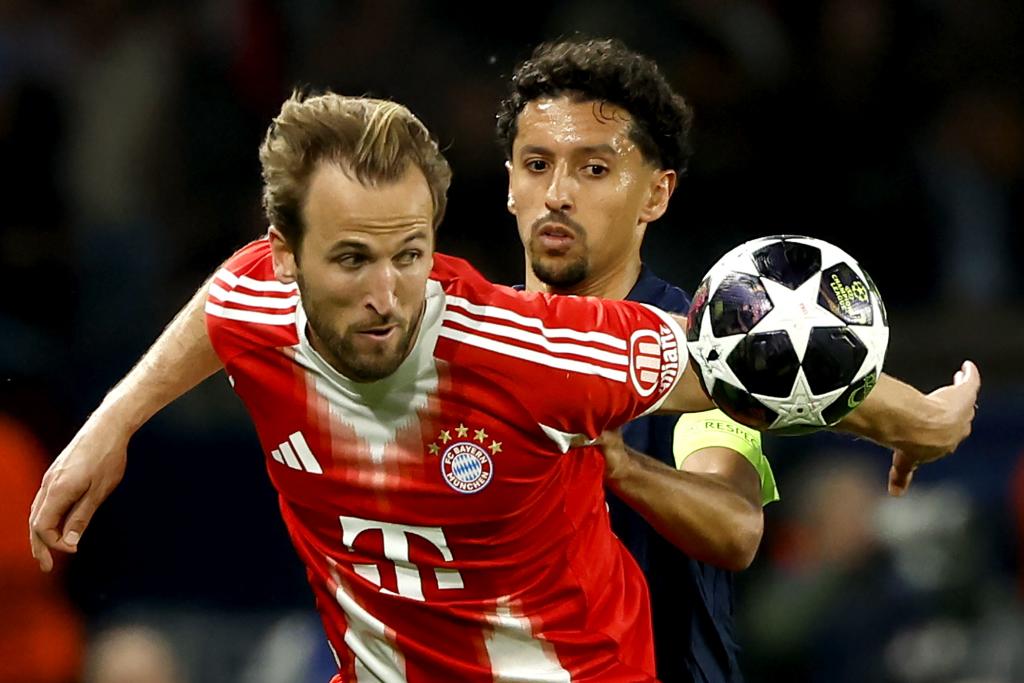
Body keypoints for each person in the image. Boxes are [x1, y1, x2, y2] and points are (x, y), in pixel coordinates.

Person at [30, 91, 979, 682]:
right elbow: (218, 304)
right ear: (286, 257)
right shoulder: (257, 296)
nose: (387, 294)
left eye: (410, 254)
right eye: (351, 259)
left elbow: (757, 356)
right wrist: (111, 423)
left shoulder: (538, 352)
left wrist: (919, 418)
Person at [495, 37, 979, 681]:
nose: (557, 193)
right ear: (510, 184)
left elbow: (734, 527)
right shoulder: (474, 333)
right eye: (536, 165)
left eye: (594, 170)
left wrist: (618, 465)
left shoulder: (713, 341)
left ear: (656, 195)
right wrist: (919, 420)